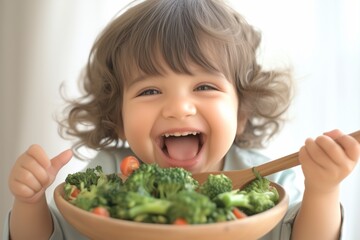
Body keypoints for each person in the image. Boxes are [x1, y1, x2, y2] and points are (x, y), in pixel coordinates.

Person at [4, 0, 360, 239]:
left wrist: (323, 190)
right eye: (149, 91)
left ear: (242, 109)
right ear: (118, 116)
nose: (179, 108)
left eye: (204, 86)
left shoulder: (268, 180)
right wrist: (30, 202)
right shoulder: (106, 175)